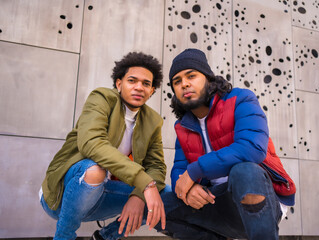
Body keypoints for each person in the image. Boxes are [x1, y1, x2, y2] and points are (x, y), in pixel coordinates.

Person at [158, 48, 296, 240]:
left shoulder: (241, 99)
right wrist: (188, 190)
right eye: (177, 81)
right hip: (217, 200)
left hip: (259, 195)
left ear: (208, 78)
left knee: (244, 171)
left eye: (191, 76)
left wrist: (195, 171)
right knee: (157, 205)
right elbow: (179, 171)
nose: (184, 84)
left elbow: (251, 148)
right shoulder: (182, 126)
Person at [39, 52, 169, 240]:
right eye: (132, 80)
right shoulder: (102, 98)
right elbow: (91, 142)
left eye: (146, 84)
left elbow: (156, 167)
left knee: (164, 195)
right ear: (119, 84)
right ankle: (63, 237)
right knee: (94, 170)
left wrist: (139, 195)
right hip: (62, 196)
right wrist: (145, 183)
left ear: (152, 91)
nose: (139, 87)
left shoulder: (153, 121)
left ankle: (104, 237)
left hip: (102, 197)